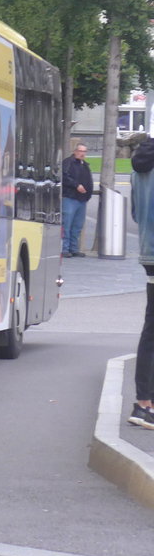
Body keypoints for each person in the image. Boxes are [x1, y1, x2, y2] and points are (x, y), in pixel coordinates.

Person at [126, 138, 154, 429]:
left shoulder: (138, 167)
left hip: (149, 253)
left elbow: (135, 213)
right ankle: (144, 403)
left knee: (151, 329)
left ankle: (144, 402)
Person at [61, 143, 92, 257]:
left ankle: (73, 248)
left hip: (82, 199)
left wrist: (87, 195)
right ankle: (64, 249)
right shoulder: (68, 162)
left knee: (77, 226)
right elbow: (64, 176)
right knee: (67, 224)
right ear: (75, 151)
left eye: (84, 151)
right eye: (80, 151)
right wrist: (76, 185)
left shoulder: (84, 165)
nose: (82, 153)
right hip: (70, 197)